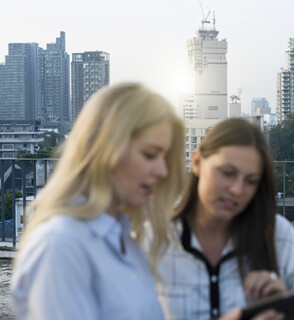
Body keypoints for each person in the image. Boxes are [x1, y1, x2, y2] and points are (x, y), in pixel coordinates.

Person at [10, 83, 186, 319]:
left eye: (164, 157)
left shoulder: (127, 243)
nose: (163, 171)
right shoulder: (61, 245)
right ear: (107, 147)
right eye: (150, 155)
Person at [155, 118, 294, 320]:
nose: (237, 190)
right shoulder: (154, 242)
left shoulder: (275, 234)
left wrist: (289, 309)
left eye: (251, 181)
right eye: (227, 173)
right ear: (197, 162)